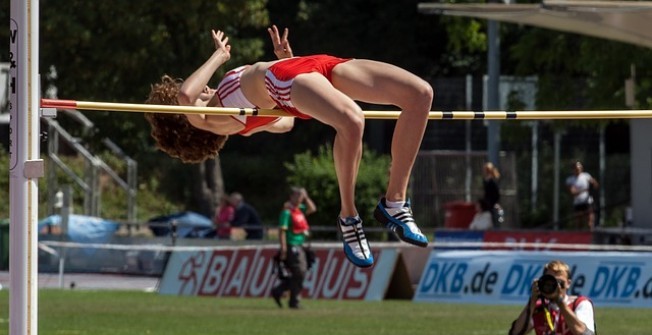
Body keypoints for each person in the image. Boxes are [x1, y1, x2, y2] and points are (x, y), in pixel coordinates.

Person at [145, 25, 433, 268]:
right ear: (186, 123)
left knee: (420, 94)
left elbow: (287, 123)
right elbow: (185, 95)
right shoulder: (209, 119)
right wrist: (220, 55)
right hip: (287, 79)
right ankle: (349, 216)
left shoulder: (243, 121)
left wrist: (288, 63)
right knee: (353, 122)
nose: (203, 89)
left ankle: (394, 203)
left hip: (308, 67)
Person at [509, 260, 596, 335]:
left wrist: (560, 302)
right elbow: (515, 333)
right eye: (549, 282)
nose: (555, 286)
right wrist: (532, 301)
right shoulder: (539, 308)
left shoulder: (580, 304)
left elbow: (586, 334)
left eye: (560, 282)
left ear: (568, 284)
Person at [271, 186, 317, 309]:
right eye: (297, 195)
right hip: (292, 245)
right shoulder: (287, 212)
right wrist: (284, 247)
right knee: (300, 272)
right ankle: (293, 300)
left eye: (300, 196)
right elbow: (282, 231)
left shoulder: (299, 210)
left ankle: (281, 291)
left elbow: (312, 209)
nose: (299, 198)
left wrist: (306, 197)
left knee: (299, 273)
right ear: (291, 197)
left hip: (301, 245)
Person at [565, 161, 599, 231]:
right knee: (579, 223)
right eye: (576, 167)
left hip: (588, 201)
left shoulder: (586, 176)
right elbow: (573, 192)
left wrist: (594, 182)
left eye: (579, 167)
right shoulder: (570, 179)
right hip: (578, 203)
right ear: (573, 169)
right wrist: (585, 190)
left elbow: (596, 185)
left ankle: (591, 237)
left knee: (590, 222)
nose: (578, 169)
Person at [482, 162, 503, 227]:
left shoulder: (492, 181)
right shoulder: (486, 180)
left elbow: (495, 194)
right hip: (488, 202)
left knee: (493, 217)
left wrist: (492, 202)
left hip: (492, 203)